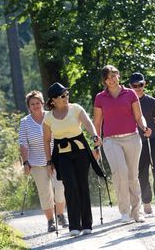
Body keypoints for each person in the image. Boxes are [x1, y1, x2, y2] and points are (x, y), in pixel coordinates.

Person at [93, 65, 152, 223]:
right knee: (120, 172)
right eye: (107, 78)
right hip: (111, 140)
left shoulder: (130, 93)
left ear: (118, 75)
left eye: (113, 76)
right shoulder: (100, 97)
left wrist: (144, 127)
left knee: (133, 175)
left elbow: (139, 117)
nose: (110, 80)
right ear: (104, 81)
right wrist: (96, 142)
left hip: (132, 137)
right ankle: (124, 211)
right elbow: (97, 122)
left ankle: (137, 211)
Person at [42, 82, 101, 237]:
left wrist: (94, 134)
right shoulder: (48, 118)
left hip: (81, 152)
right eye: (62, 95)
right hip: (62, 156)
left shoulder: (76, 108)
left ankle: (87, 224)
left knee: (82, 185)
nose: (66, 97)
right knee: (70, 186)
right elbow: (47, 141)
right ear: (53, 100)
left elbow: (88, 123)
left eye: (66, 94)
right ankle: (74, 226)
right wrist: (49, 162)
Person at [18, 90, 68, 233]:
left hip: (56, 159)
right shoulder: (25, 122)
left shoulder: (51, 116)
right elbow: (23, 143)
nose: (35, 106)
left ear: (42, 103)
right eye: (32, 104)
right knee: (45, 192)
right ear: (29, 106)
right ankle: (50, 221)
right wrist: (26, 162)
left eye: (38, 103)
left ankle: (60, 215)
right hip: (37, 162)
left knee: (60, 187)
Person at [129, 72, 155, 216]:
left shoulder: (152, 101)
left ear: (144, 84)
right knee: (142, 173)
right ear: (130, 86)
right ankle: (146, 201)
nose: (137, 88)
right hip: (136, 141)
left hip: (152, 140)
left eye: (140, 85)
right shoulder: (127, 102)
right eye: (134, 86)